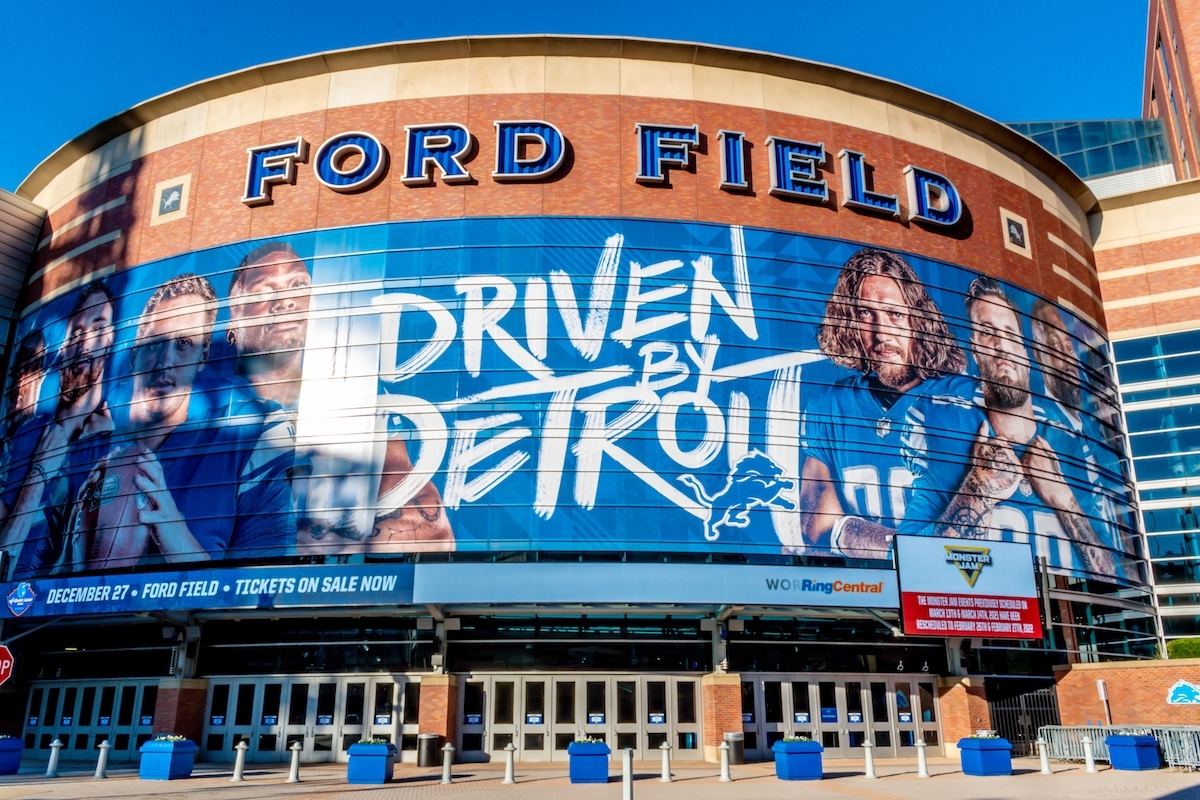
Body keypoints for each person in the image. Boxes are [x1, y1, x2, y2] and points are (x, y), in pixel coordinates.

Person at [224, 241, 453, 553]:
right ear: (232, 325)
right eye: (263, 292)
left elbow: (433, 535)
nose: (285, 301)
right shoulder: (200, 412)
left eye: (298, 285)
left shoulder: (354, 395)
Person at [63, 273, 294, 570]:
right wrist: (76, 555)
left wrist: (174, 533)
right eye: (156, 343)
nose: (166, 360)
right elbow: (25, 586)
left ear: (203, 355)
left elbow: (260, 588)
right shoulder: (83, 456)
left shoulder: (242, 440)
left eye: (184, 343)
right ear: (136, 350)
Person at [900, 277, 1120, 578]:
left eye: (1009, 334)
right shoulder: (941, 427)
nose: (1001, 345)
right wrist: (981, 487)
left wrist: (1064, 499)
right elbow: (912, 562)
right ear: (975, 349)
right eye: (987, 333)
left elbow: (1112, 574)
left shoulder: (1070, 441)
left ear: (1027, 352)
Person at [799, 248, 969, 559]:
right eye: (865, 314)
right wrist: (908, 551)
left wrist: (856, 536)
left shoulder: (961, 400)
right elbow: (817, 527)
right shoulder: (828, 404)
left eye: (895, 314)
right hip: (865, 597)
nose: (881, 332)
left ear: (919, 320)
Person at [0, 283, 116, 576]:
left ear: (111, 341)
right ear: (64, 346)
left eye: (98, 329)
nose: (84, 345)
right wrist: (38, 473)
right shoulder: (24, 435)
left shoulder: (117, 446)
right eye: (77, 333)